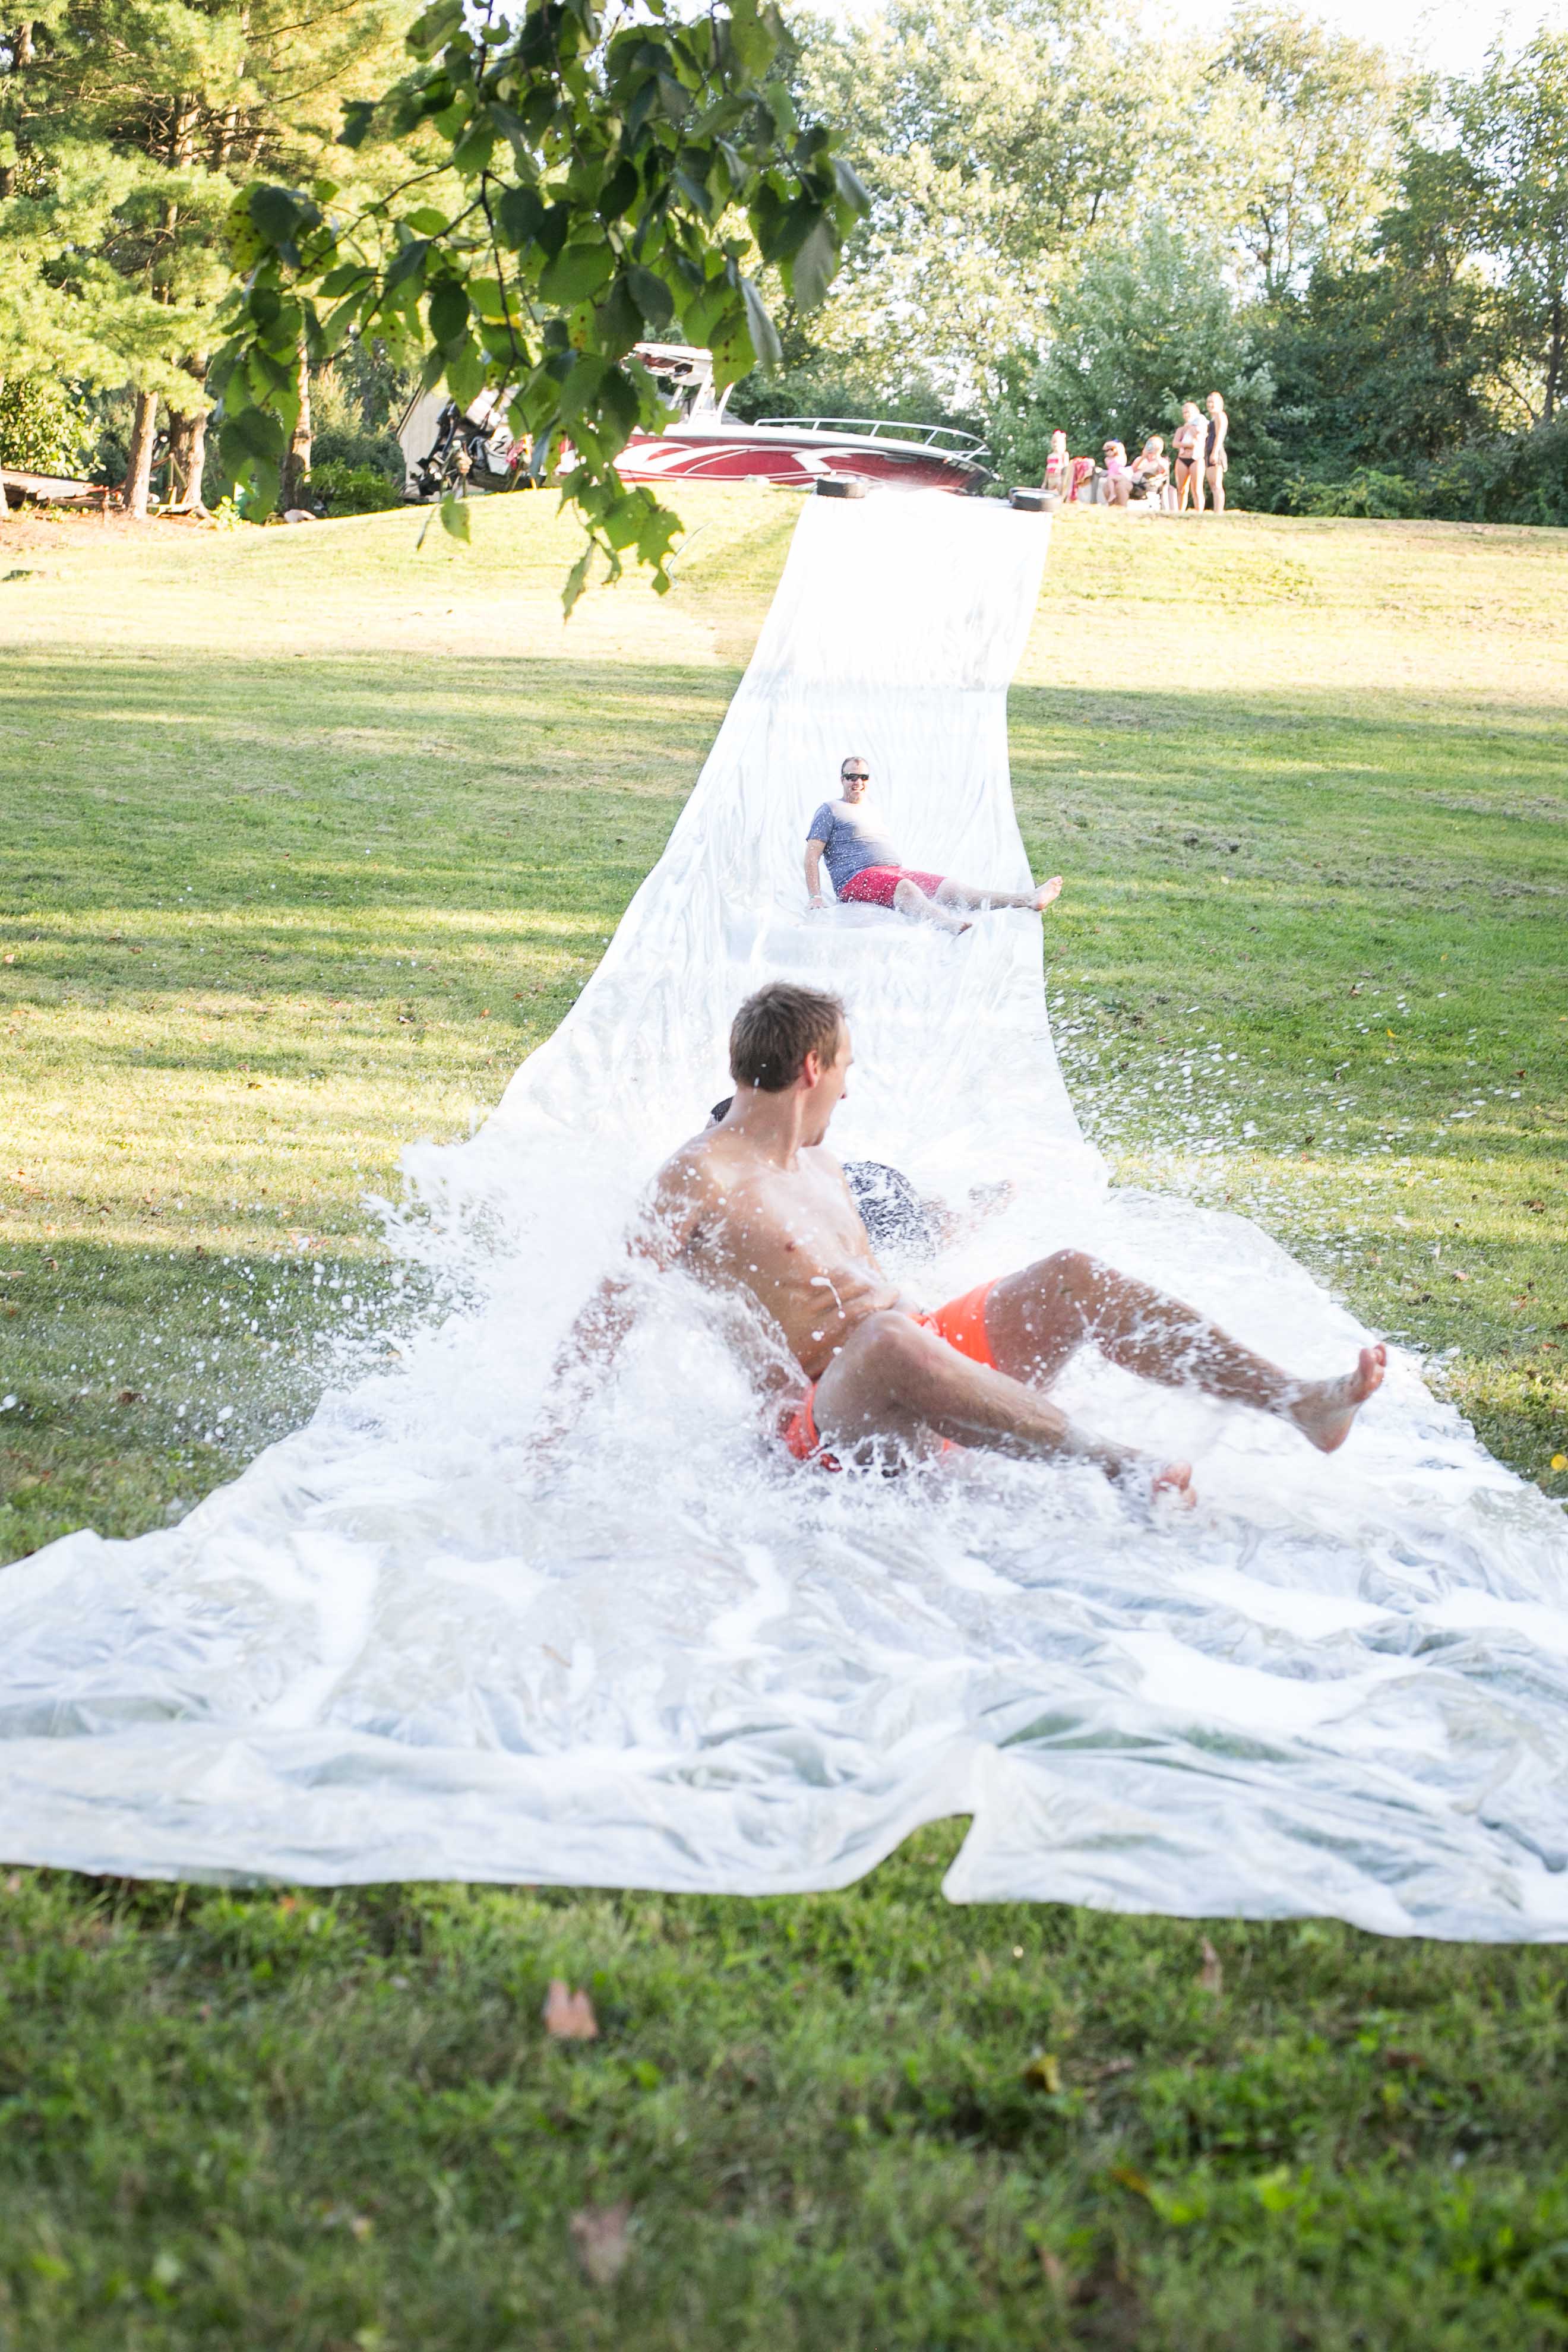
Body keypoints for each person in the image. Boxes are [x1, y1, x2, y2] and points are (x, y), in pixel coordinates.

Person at [540, 984, 1387, 1503]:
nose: (848, 1089)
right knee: (884, 1339)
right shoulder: (699, 1175)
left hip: (920, 1370)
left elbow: (869, 1275)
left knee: (1068, 1275)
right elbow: (613, 1301)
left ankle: (1299, 1402)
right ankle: (1117, 1466)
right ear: (812, 1070)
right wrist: (547, 1437)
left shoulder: (823, 1164)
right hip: (826, 1427)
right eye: (846, 1070)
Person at [708, 1096, 1011, 1258]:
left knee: (941, 1234)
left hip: (873, 1200)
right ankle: (955, 1205)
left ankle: (982, 1211)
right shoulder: (745, 1130)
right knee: (927, 1214)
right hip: (863, 1179)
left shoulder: (734, 1177)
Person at [805, 755, 1063, 934]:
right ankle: (947, 924)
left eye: (863, 776)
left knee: (952, 888)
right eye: (851, 776)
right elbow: (812, 855)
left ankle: (1028, 899)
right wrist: (815, 897)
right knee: (906, 888)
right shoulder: (830, 809)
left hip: (891, 872)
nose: (857, 782)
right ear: (842, 779)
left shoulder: (872, 809)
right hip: (855, 879)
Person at [1174, 403, 1206, 515]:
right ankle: (1180, 512)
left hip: (1196, 459)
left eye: (1188, 412)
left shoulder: (1201, 427)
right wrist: (1188, 445)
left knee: (1197, 489)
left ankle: (1199, 513)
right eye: (1184, 413)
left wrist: (1192, 429)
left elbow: (1199, 441)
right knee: (1181, 489)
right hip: (1182, 459)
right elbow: (1175, 443)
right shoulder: (1181, 429)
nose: (1186, 415)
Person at [1204, 391, 1229, 515]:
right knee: (1213, 485)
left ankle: (1219, 512)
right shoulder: (1212, 419)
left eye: (1213, 402)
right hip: (1209, 451)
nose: (1210, 404)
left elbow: (1220, 435)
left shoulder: (1220, 415)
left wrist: (1215, 452)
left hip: (1216, 452)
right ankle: (1216, 511)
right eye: (1209, 402)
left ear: (1219, 403)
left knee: (1217, 485)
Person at [1130, 435, 1170, 507]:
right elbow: (1133, 470)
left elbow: (1163, 472)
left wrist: (1157, 456)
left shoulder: (1162, 461)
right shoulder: (1140, 459)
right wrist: (1143, 457)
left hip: (1150, 483)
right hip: (1135, 482)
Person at [1100, 440, 1134, 507]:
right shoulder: (1107, 459)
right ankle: (1112, 494)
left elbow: (1120, 448)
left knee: (1111, 478)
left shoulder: (1120, 457)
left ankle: (1112, 494)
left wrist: (1113, 445)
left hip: (1120, 475)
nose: (1109, 452)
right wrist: (1108, 446)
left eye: (1112, 449)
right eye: (1107, 450)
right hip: (1112, 475)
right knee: (1110, 479)